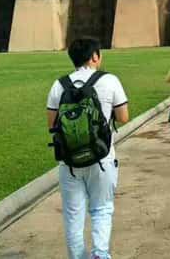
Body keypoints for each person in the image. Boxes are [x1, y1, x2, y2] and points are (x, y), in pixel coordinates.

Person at [46, 37, 129, 259]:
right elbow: (123, 117)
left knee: (73, 216)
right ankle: (99, 254)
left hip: (69, 162)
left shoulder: (59, 85)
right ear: (94, 56)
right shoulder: (109, 80)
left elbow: (52, 124)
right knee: (101, 209)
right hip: (102, 157)